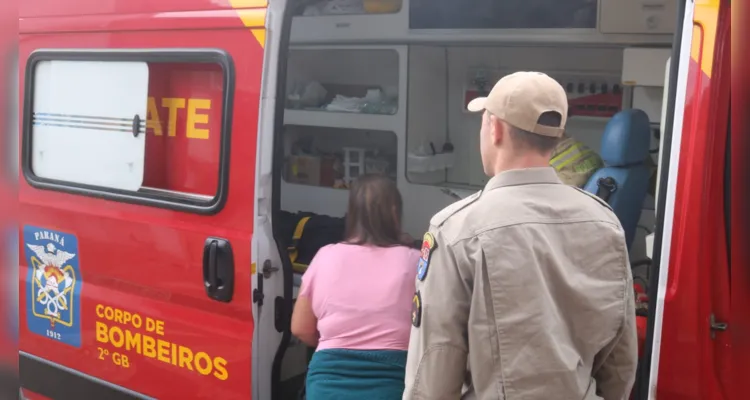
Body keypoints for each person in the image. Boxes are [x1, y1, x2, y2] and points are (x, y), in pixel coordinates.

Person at [403, 72, 638, 400]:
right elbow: (620, 361)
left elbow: (435, 367)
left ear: (495, 128)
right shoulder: (605, 221)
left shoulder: (456, 229)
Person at [291, 174, 420, 399]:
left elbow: (300, 328)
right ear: (393, 212)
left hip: (328, 381)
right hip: (391, 381)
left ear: (353, 214)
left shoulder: (325, 256)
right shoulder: (413, 261)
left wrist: (335, 343)